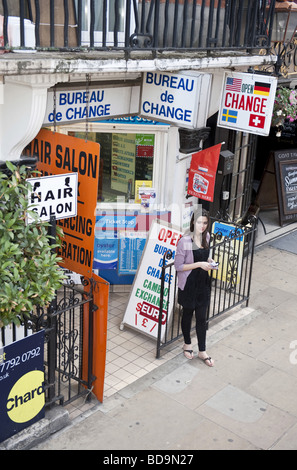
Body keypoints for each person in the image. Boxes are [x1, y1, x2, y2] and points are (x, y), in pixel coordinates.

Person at [174, 208, 217, 366]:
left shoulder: (207, 237)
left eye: (205, 222)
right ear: (193, 222)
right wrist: (199, 264)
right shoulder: (185, 241)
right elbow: (179, 266)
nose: (202, 225)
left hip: (202, 283)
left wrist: (211, 262)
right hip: (189, 283)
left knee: (201, 317)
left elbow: (205, 256)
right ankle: (187, 344)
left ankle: (202, 351)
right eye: (199, 222)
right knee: (187, 314)